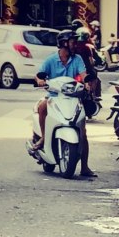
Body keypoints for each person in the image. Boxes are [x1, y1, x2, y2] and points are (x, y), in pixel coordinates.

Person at [32, 32, 96, 178]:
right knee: (42, 106)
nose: (75, 45)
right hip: (54, 96)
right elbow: (38, 74)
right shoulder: (51, 60)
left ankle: (85, 167)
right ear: (64, 43)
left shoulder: (77, 59)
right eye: (72, 42)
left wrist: (87, 82)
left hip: (73, 97)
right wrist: (40, 80)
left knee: (82, 132)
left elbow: (84, 74)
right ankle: (44, 137)